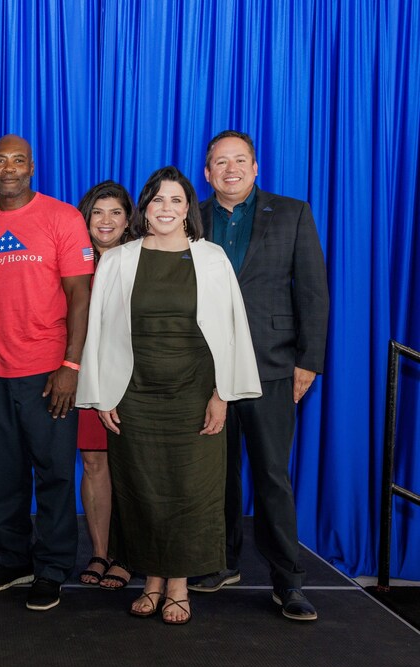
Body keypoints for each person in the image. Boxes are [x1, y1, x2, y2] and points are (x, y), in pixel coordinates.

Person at [77, 165, 261, 624]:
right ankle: (152, 580)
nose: (165, 208)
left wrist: (222, 393)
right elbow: (98, 331)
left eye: (175, 200)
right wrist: (102, 394)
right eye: (157, 200)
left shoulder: (212, 258)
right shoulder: (120, 260)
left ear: (187, 210)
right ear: (145, 208)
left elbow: (233, 331)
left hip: (195, 394)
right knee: (142, 490)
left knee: (190, 490)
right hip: (133, 394)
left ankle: (177, 584)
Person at [189, 130, 329, 622]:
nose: (230, 169)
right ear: (207, 173)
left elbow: (312, 291)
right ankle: (220, 562)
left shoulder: (292, 213)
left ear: (255, 166)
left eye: (240, 160)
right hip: (206, 372)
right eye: (220, 162)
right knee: (216, 476)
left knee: (271, 475)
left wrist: (308, 361)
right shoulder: (192, 219)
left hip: (272, 365)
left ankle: (287, 581)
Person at [0, 134, 93, 611]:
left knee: (55, 475)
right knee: (6, 476)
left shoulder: (63, 217)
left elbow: (81, 294)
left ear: (32, 167)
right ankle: (14, 558)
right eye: (0, 161)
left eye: (19, 160)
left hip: (48, 372)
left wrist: (70, 365)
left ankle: (55, 566)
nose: (10, 168)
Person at [72, 181, 133, 591]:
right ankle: (99, 551)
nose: (105, 220)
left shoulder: (143, 258)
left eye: (114, 212)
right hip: (86, 378)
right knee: (94, 463)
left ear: (129, 219)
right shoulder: (73, 262)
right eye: (97, 212)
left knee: (131, 467)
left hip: (133, 380)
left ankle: (128, 554)